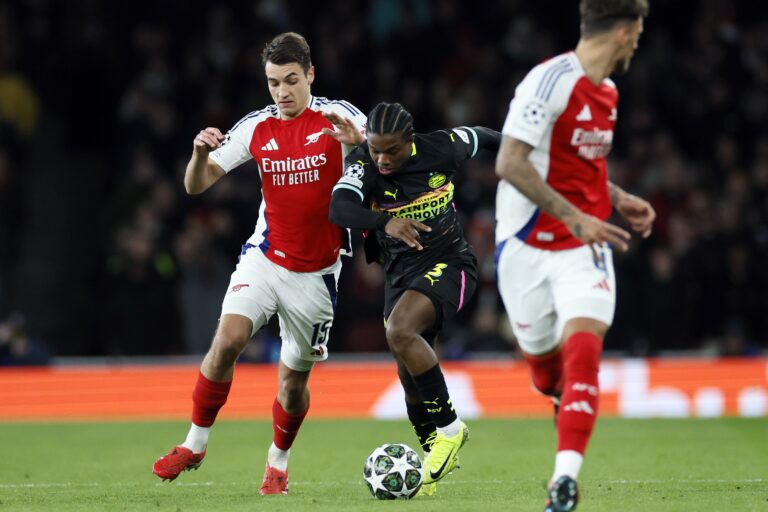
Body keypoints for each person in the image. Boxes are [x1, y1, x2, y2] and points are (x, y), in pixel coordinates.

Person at [152, 32, 366, 496]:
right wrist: (198, 154)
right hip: (265, 259)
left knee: (292, 385)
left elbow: (387, 160)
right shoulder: (256, 127)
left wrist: (362, 146)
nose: (283, 92)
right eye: (273, 83)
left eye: (291, 80)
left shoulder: (341, 117)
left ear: (310, 74)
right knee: (227, 341)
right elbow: (196, 185)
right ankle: (194, 444)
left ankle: (278, 459)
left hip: (317, 275)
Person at [494, 1, 653, 511]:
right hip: (524, 246)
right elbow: (510, 162)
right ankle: (558, 395)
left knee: (583, 350)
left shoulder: (608, 92)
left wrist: (617, 196)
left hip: (584, 249)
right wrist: (576, 216)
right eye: (639, 32)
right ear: (626, 32)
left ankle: (563, 482)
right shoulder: (548, 81)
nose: (639, 41)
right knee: (545, 371)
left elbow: (584, 166)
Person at [329, 102, 501, 496]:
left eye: (391, 150)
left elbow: (485, 136)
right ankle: (431, 466)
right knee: (409, 380)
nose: (382, 159)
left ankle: (451, 429)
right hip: (399, 275)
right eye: (375, 149)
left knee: (401, 331)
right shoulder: (364, 162)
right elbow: (339, 207)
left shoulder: (443, 147)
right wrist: (384, 220)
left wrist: (528, 151)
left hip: (451, 263)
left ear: (411, 141)